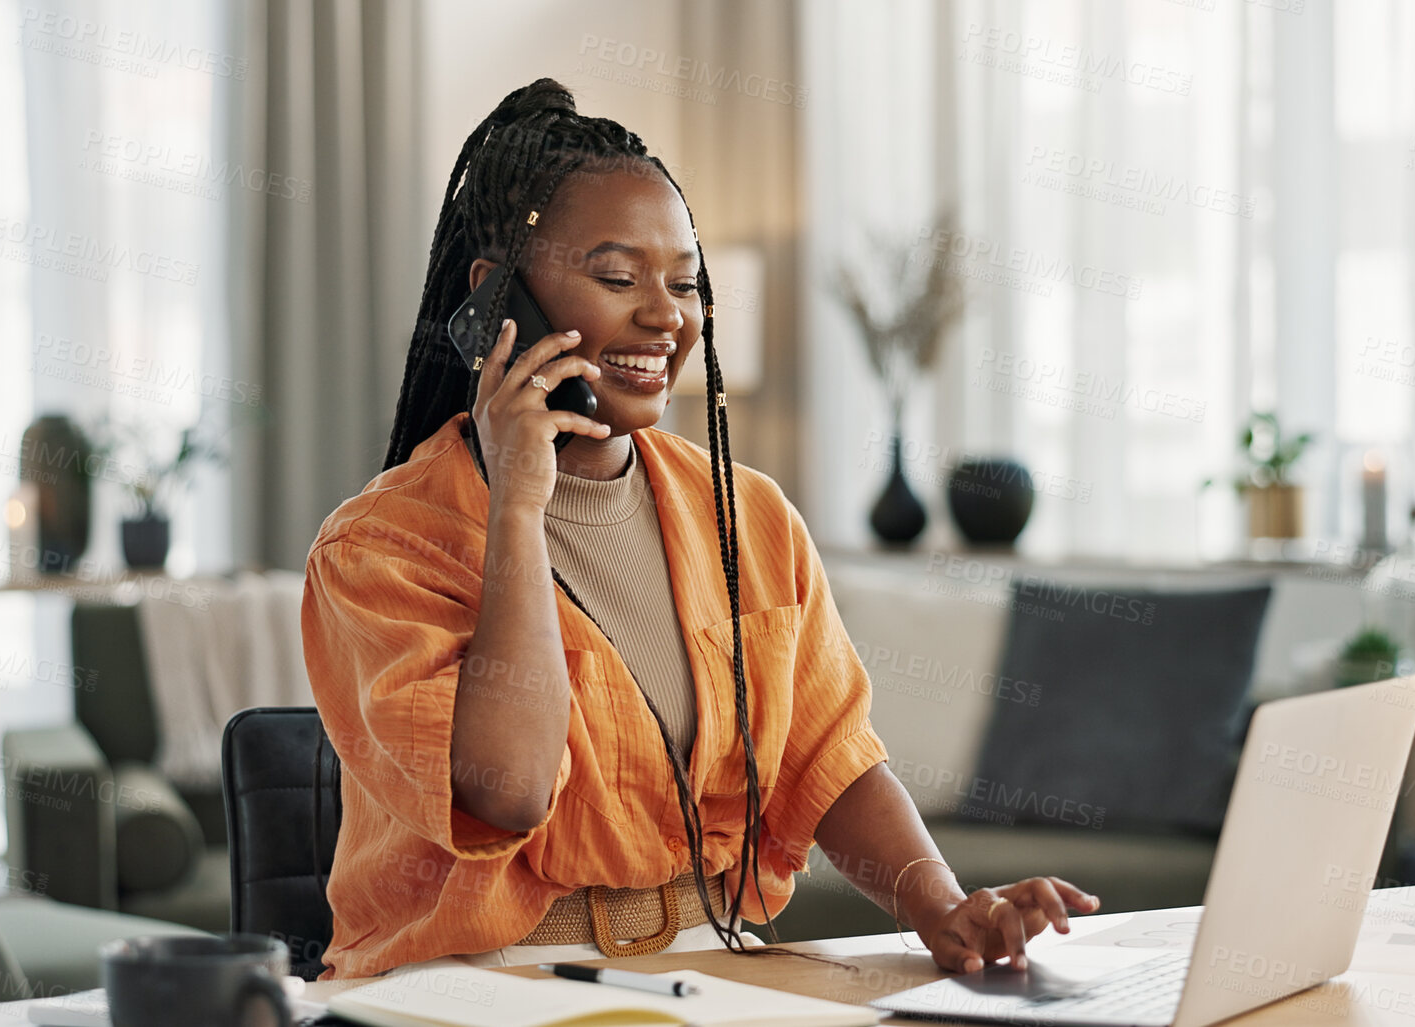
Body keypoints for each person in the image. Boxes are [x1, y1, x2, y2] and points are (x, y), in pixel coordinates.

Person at [302, 78, 1097, 980]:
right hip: (475, 984)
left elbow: (826, 757)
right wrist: (517, 507)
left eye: (684, 281)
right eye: (616, 277)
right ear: (496, 299)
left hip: (707, 970)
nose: (665, 315)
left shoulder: (745, 514)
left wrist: (941, 904)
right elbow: (507, 790)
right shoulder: (380, 545)